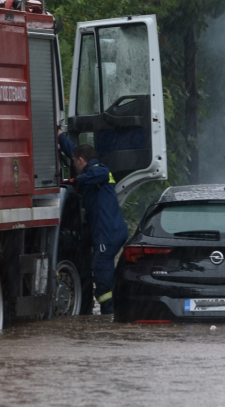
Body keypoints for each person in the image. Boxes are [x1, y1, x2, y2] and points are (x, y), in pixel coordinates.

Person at [58, 131, 130, 314]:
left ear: (81, 161)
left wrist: (72, 180)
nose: (73, 165)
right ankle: (115, 303)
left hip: (108, 233)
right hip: (109, 231)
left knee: (100, 267)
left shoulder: (99, 169)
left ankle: (110, 309)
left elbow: (100, 174)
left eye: (74, 163)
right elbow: (74, 151)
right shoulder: (88, 164)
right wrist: (60, 136)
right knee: (100, 265)